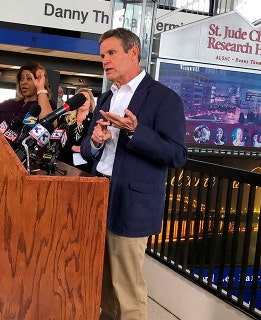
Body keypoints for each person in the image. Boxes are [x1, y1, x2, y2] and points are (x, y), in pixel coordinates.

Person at [80, 28, 187, 319]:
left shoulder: (164, 99)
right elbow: (89, 153)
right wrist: (96, 141)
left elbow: (177, 155)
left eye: (111, 53)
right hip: (98, 195)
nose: (105, 60)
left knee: (126, 287)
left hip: (132, 202)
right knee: (102, 284)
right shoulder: (104, 100)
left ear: (133, 53)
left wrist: (135, 130)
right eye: (102, 55)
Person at [0, 62, 56, 126]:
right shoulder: (9, 104)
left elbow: (49, 124)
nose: (23, 82)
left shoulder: (49, 106)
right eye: (21, 79)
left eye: (29, 79)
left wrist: (40, 88)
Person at [56, 87, 95, 173]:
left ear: (90, 102)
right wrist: (72, 147)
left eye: (86, 99)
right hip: (64, 162)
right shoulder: (65, 118)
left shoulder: (95, 121)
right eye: (80, 99)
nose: (83, 101)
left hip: (85, 167)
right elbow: (57, 140)